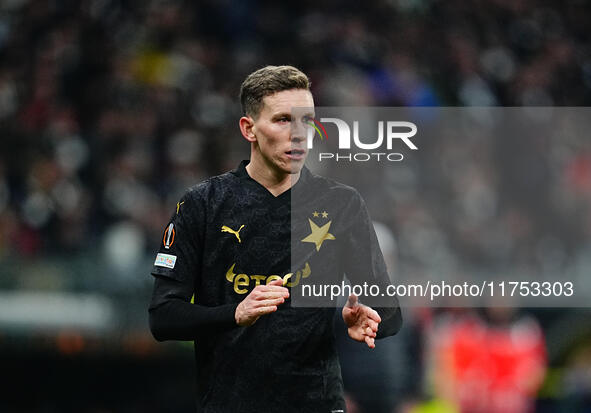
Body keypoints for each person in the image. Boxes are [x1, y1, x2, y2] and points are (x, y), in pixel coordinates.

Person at [148, 65, 402, 412]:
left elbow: (389, 312)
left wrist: (365, 319)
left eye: (307, 121)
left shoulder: (342, 204)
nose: (299, 134)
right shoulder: (202, 205)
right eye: (283, 120)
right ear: (249, 129)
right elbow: (163, 317)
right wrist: (234, 312)